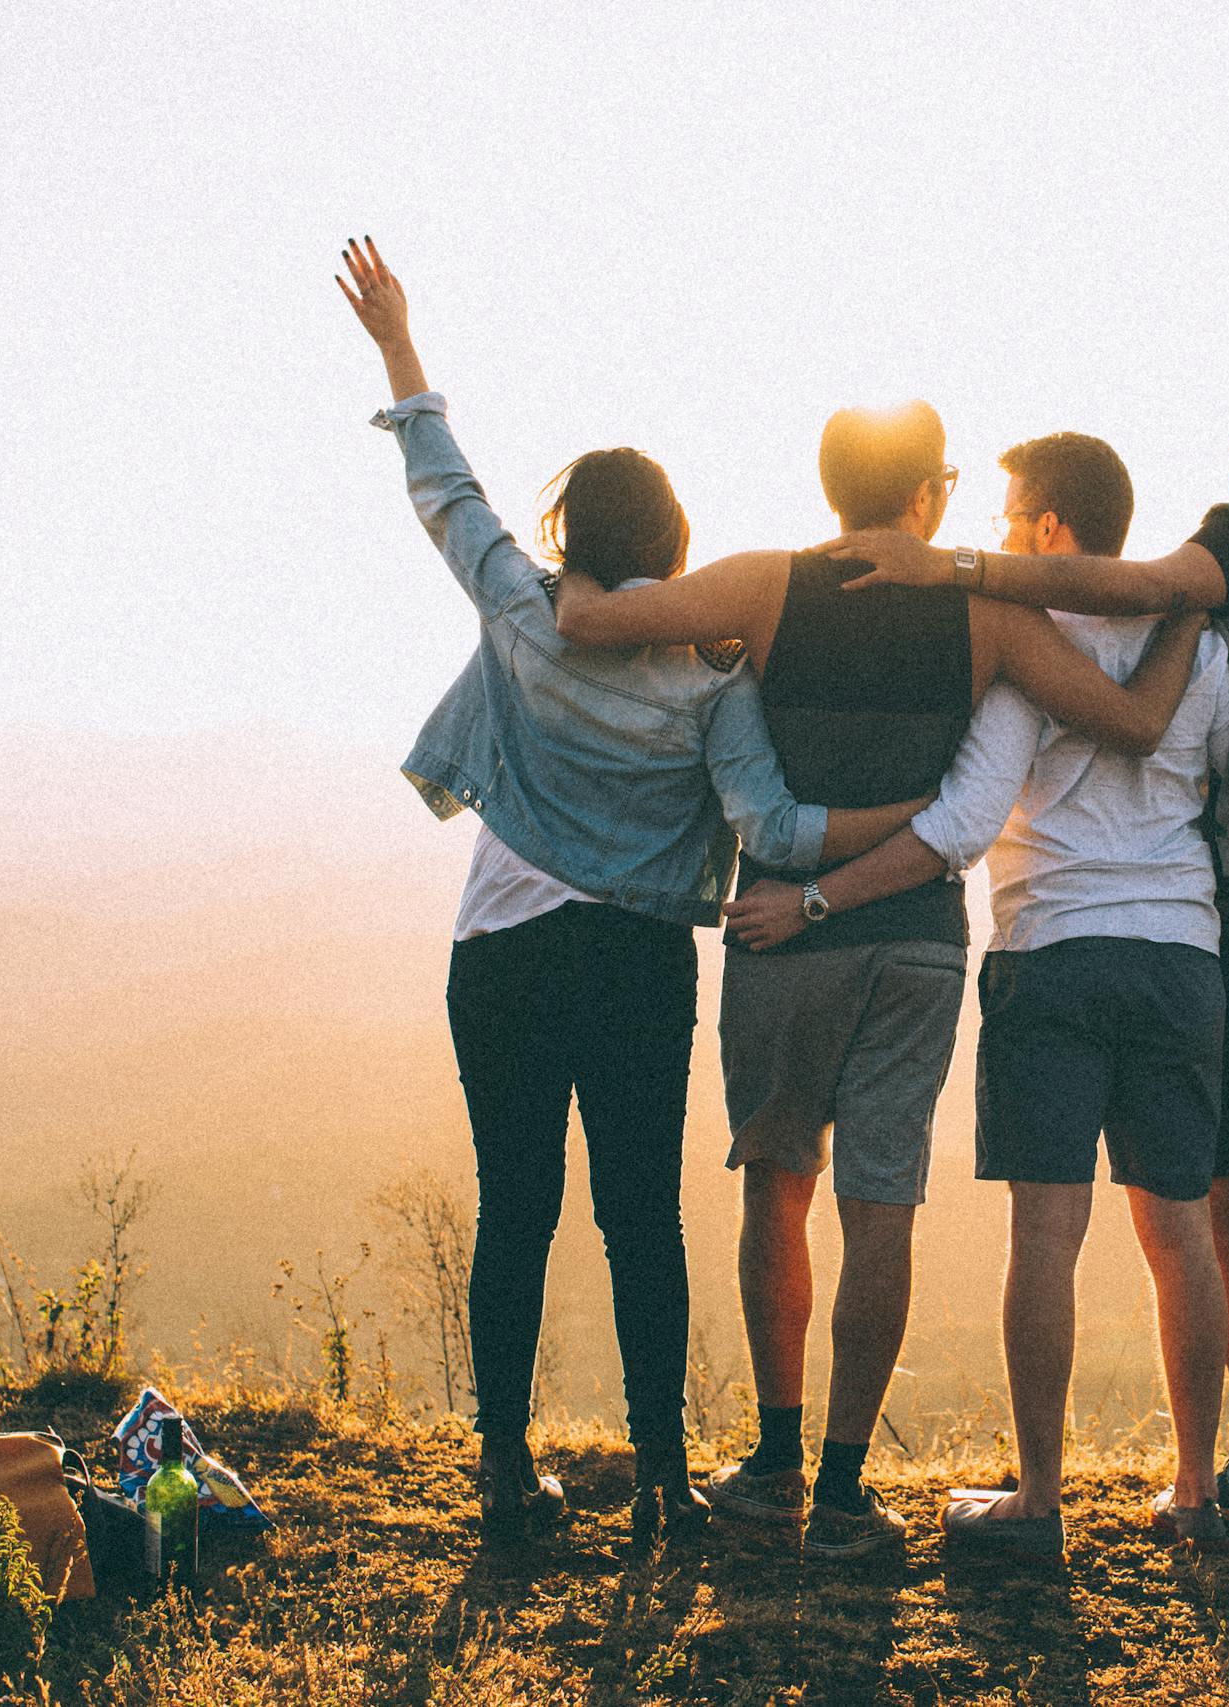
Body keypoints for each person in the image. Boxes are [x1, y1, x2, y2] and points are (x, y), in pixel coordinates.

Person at [724, 433, 1229, 1561]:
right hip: (1182, 964)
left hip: (1052, 957)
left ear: (1054, 529)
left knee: (1045, 1236)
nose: (1004, 536)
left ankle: (1040, 1502)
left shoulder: (1027, 654)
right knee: (1179, 1233)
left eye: (1016, 517)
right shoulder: (1199, 651)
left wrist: (814, 899)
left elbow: (960, 828)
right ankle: (1197, 1491)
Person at [337, 238, 931, 1551]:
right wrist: (926, 818)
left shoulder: (524, 610)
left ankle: (504, 1469)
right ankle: (662, 1476)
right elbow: (771, 824)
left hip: (500, 945)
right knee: (640, 1216)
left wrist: (397, 342)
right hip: (640, 963)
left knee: (515, 1206)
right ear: (674, 543)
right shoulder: (710, 673)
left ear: (569, 535)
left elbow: (446, 490)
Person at [554, 407, 1203, 1560]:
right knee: (880, 1204)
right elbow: (1131, 723)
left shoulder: (761, 587)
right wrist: (1193, 606)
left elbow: (600, 619)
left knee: (776, 1183)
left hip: (777, 938)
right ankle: (847, 1492)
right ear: (925, 501)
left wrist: (571, 570)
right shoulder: (985, 614)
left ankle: (772, 1463)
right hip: (914, 940)